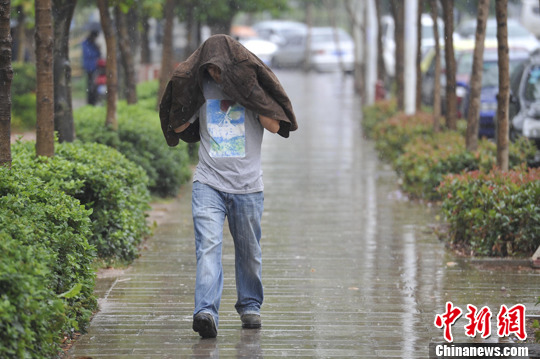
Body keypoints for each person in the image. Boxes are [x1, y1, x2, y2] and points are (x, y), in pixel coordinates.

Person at [159, 35, 298, 339]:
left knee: (249, 251)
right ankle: (206, 311)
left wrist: (253, 96)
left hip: (247, 187)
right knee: (208, 248)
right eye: (210, 69)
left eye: (219, 70)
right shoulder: (202, 88)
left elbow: (275, 126)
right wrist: (183, 100)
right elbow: (180, 126)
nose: (215, 75)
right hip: (208, 182)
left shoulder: (249, 87)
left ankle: (250, 306)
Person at [81, 31, 101, 105]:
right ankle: (91, 101)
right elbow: (89, 54)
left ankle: (93, 100)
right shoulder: (86, 43)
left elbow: (98, 55)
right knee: (91, 85)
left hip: (94, 67)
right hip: (90, 67)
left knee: (94, 85)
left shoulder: (93, 44)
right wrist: (96, 49)